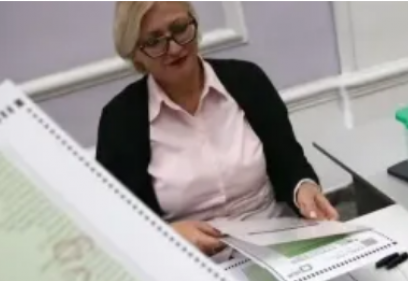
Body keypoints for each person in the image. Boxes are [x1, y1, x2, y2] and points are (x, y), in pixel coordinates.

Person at [96, 1, 339, 256]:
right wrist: (168, 233)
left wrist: (303, 187)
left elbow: (289, 162)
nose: (175, 47)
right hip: (194, 262)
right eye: (154, 41)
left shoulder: (247, 80)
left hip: (278, 241)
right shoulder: (120, 121)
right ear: (135, 54)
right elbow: (119, 221)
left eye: (180, 28)